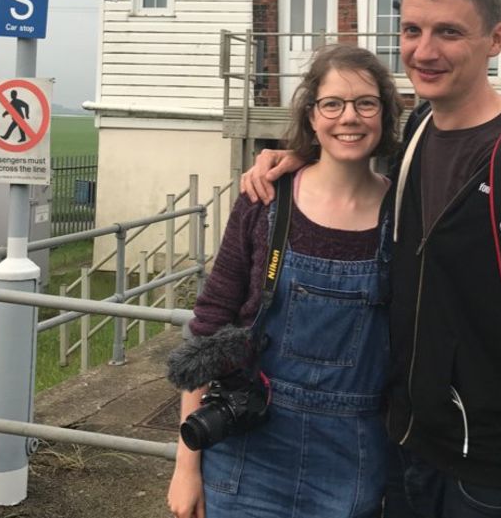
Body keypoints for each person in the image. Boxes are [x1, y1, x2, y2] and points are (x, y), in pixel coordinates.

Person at [241, 0, 501, 518]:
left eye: (449, 32)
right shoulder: (416, 134)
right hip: (410, 453)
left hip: (495, 479)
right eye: (412, 30)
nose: (424, 51)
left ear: (497, 39)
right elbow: (355, 156)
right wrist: (301, 156)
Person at [167, 44, 404, 518]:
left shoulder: (405, 215)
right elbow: (210, 326)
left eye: (366, 103)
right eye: (332, 104)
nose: (348, 118)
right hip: (248, 451)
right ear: (312, 116)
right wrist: (186, 464)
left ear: (385, 114)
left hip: (353, 460)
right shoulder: (264, 201)